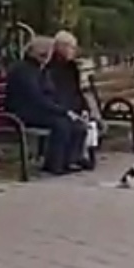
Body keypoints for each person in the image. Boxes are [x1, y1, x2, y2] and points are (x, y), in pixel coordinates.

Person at [5, 36, 87, 173]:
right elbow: (36, 98)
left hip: (38, 109)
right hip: (23, 112)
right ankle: (55, 164)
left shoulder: (40, 69)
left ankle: (70, 160)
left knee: (76, 123)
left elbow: (50, 94)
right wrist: (62, 111)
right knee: (61, 124)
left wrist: (66, 109)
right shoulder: (23, 70)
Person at [45, 30, 99, 169]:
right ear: (61, 47)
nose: (74, 51)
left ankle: (75, 157)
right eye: (71, 47)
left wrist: (84, 107)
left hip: (71, 106)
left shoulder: (72, 67)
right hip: (60, 107)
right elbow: (54, 94)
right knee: (69, 124)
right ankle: (63, 161)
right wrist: (69, 111)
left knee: (89, 122)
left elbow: (77, 90)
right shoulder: (50, 68)